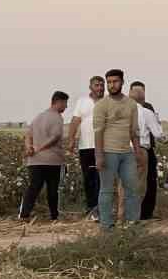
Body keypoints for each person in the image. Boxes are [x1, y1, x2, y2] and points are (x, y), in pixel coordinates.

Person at [93, 68, 142, 231]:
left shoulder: (131, 104)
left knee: (132, 188)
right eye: (109, 82)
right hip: (108, 151)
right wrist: (98, 156)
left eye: (115, 82)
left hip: (126, 153)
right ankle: (107, 226)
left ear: (122, 82)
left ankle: (132, 223)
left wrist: (138, 152)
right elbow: (98, 131)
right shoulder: (101, 105)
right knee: (107, 190)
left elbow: (134, 131)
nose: (111, 85)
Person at [20, 91, 69, 222]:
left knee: (33, 187)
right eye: (65, 103)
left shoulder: (38, 117)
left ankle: (24, 215)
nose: (66, 107)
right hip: (52, 160)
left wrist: (29, 147)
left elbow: (28, 135)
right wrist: (40, 148)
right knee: (53, 190)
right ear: (59, 102)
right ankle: (54, 216)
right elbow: (55, 136)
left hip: (34, 161)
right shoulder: (57, 117)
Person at [66, 75, 105, 220]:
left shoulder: (108, 101)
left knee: (102, 179)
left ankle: (101, 209)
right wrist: (71, 140)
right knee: (89, 178)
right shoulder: (82, 102)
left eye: (102, 85)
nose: (100, 88)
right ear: (91, 87)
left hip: (103, 147)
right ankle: (91, 209)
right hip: (86, 147)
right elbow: (75, 121)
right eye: (97, 85)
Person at [130, 80, 166, 220]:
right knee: (140, 184)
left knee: (127, 184)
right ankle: (137, 215)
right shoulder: (146, 111)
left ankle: (128, 216)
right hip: (142, 149)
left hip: (127, 150)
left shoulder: (123, 109)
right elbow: (158, 133)